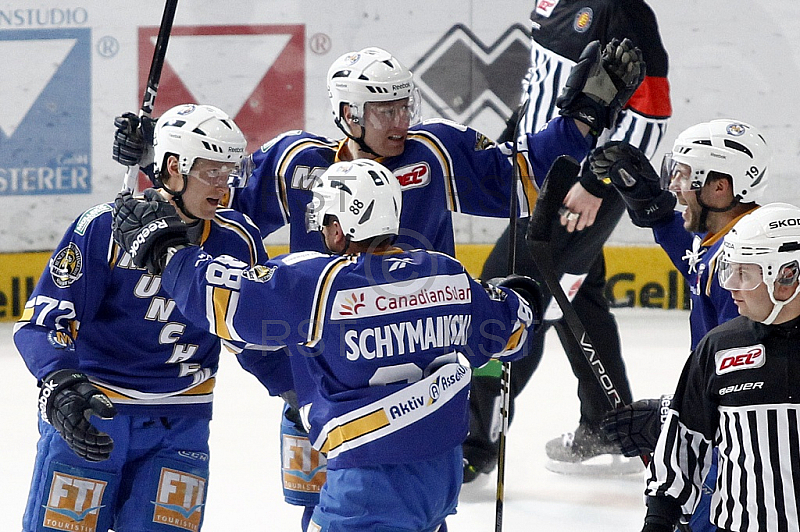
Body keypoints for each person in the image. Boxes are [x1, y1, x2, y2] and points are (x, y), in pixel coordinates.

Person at [113, 42, 645, 528]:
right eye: (383, 110)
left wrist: (584, 115)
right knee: (324, 510)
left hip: (412, 371)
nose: (399, 121)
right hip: (319, 384)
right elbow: (215, 203)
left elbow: (523, 170)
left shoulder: (434, 151)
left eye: (403, 106)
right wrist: (159, 159)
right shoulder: (296, 161)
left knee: (364, 511)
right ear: (348, 114)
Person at [111, 158, 542, 532]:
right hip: (441, 476)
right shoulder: (447, 275)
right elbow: (514, 329)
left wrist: (168, 253)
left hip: (369, 485)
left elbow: (226, 301)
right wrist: (522, 296)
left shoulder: (323, 282)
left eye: (326, 222)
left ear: (340, 227)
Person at [14, 104, 281, 532]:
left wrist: (300, 392)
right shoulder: (103, 228)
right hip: (95, 412)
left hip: (181, 427)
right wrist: (60, 383)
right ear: (174, 167)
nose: (225, 184)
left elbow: (256, 340)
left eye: (229, 171)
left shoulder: (239, 239)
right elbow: (43, 323)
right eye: (213, 171)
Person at [464, 0, 671, 479]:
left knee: (504, 295)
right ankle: (608, 427)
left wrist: (599, 183)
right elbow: (546, 82)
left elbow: (650, 109)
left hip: (583, 187)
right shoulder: (550, 2)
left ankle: (472, 444)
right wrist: (514, 136)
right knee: (576, 300)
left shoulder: (621, 10)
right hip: (544, 172)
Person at [594, 119, 771, 532]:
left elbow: (744, 379)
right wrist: (653, 207)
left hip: (741, 452)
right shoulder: (727, 239)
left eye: (684, 175)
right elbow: (692, 253)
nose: (674, 185)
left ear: (720, 188)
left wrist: (670, 416)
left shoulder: (742, 273)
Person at [638, 202, 800, 532]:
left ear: (788, 274)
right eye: (731, 270)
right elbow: (683, 445)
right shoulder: (719, 347)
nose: (731, 286)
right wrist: (658, 520)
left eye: (746, 273)